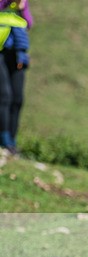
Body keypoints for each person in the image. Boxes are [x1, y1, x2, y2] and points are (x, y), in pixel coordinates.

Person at [0, 0, 32, 155]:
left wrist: (23, 6)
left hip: (18, 53)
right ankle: (4, 139)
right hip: (0, 52)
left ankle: (12, 142)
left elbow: (29, 23)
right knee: (4, 96)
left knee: (17, 98)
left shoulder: (22, 3)